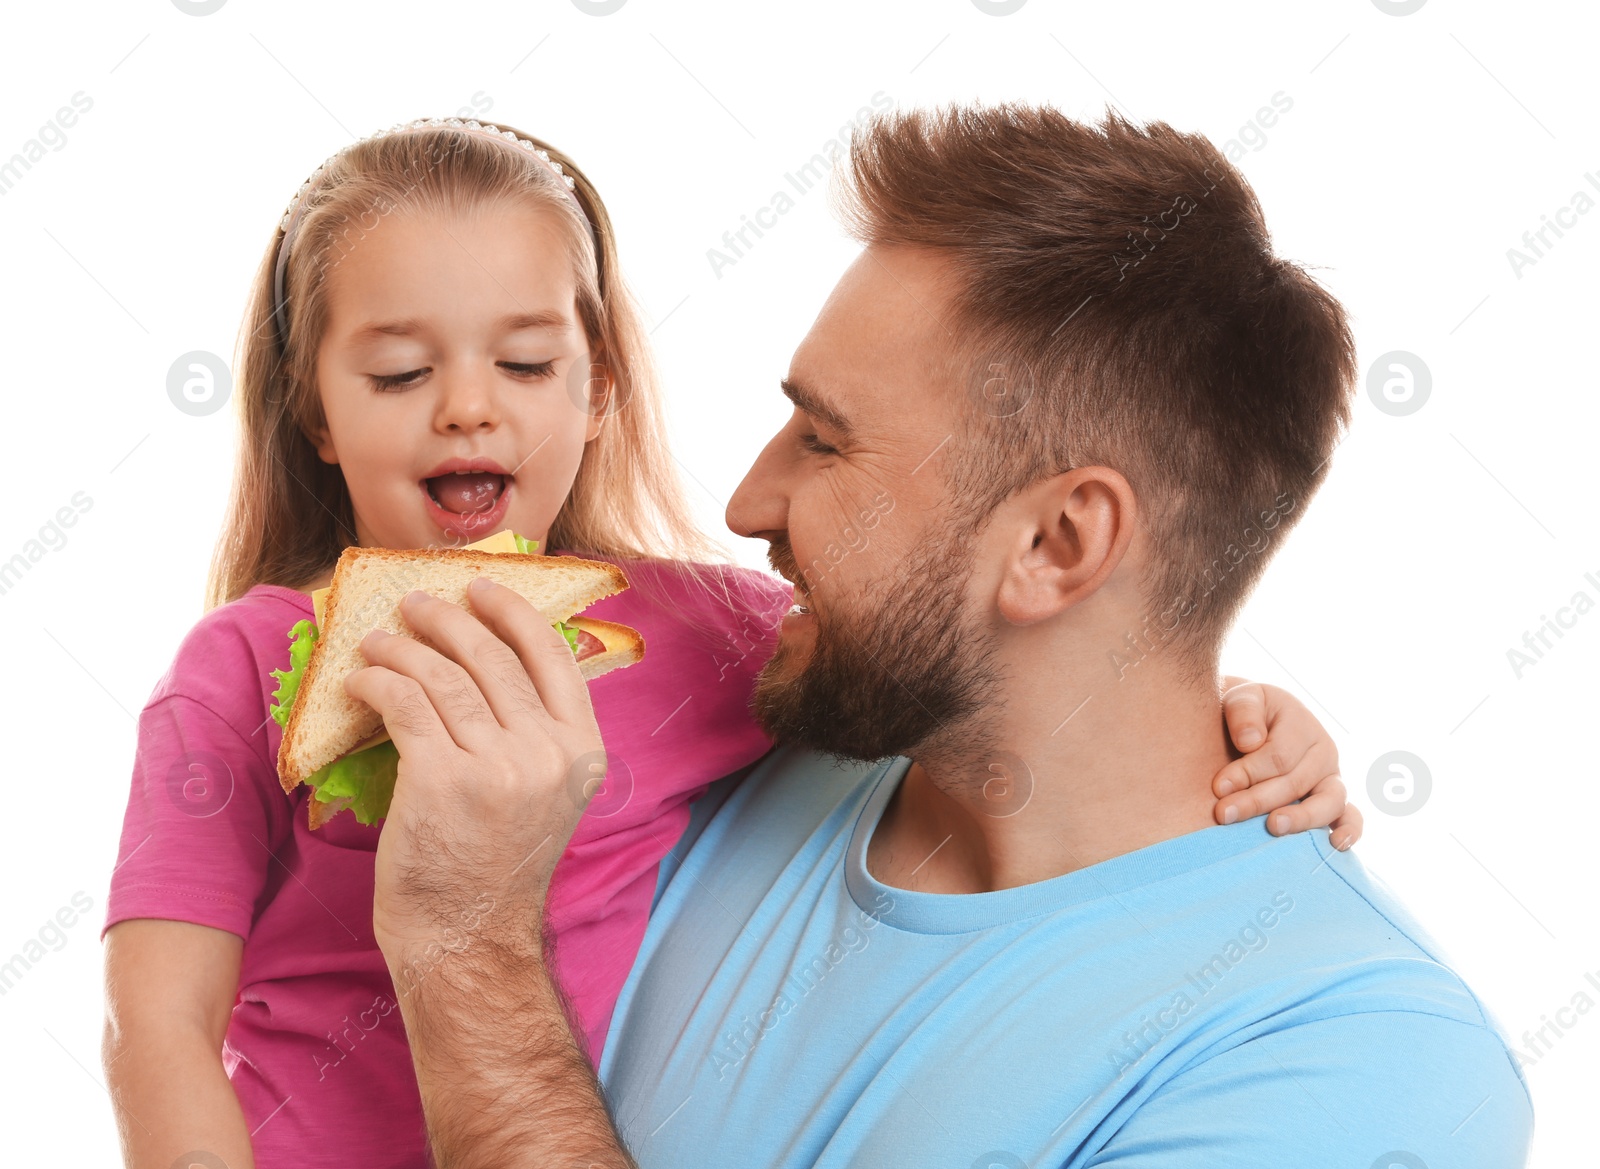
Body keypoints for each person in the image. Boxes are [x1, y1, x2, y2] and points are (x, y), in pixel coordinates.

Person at [97, 117, 1345, 1169]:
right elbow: (154, 1024)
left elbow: (980, 666)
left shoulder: (714, 630)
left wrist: (1237, 713)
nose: (469, 403)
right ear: (313, 415)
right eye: (399, 372)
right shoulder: (242, 668)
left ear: (599, 395)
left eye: (527, 360)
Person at [351, 106, 1533, 1168]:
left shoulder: (1355, 1063)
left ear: (1058, 543)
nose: (744, 505)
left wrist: (466, 950)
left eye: (823, 441)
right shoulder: (733, 748)